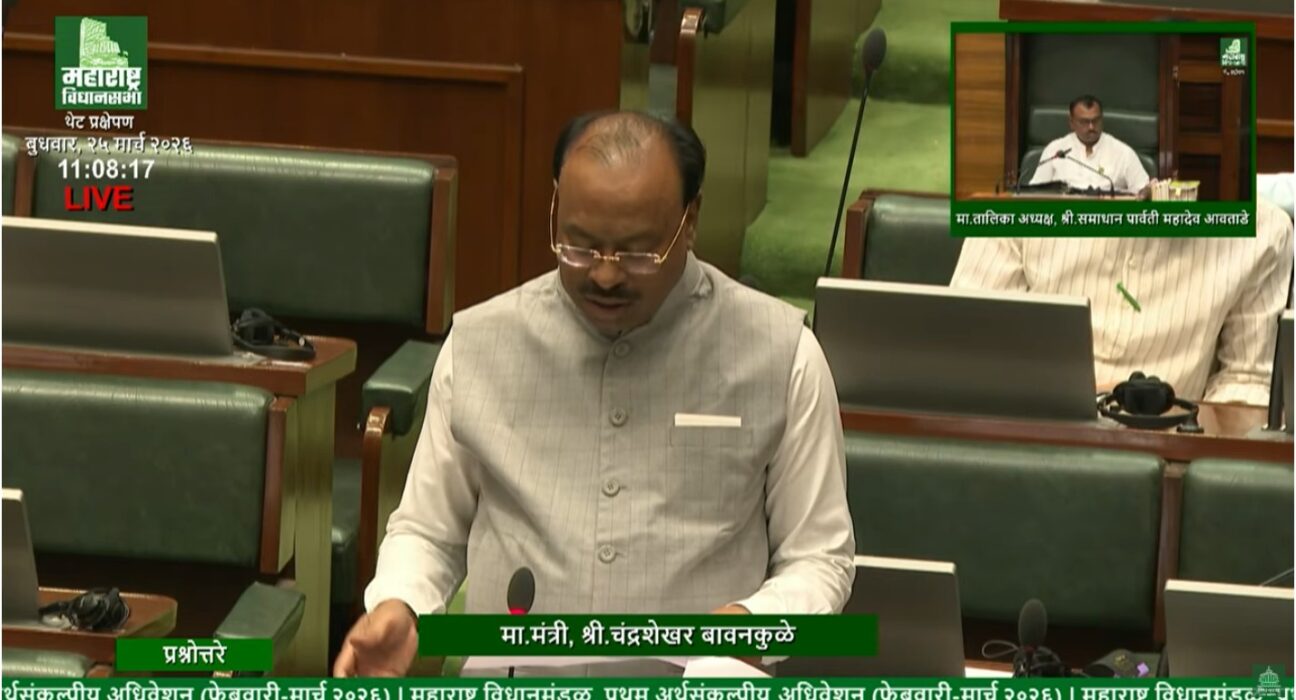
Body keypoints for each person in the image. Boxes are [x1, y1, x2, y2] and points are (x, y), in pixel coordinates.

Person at [334, 110, 855, 677]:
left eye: (637, 252)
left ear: (692, 219)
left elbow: (819, 557)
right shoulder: (481, 344)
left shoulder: (783, 355)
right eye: (579, 246)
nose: (605, 276)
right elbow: (428, 531)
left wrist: (752, 622)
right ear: (555, 207)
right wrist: (400, 603)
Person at [950, 196, 1293, 406]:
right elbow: (965, 353)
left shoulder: (1264, 231)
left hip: (1173, 460)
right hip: (1028, 446)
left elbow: (1247, 383)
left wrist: (1190, 442)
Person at [1029, 95, 1151, 195]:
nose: (1091, 127)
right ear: (1071, 123)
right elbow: (1034, 193)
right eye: (1084, 122)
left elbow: (1143, 190)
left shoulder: (1122, 152)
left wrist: (1147, 190)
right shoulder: (1055, 150)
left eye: (1096, 120)